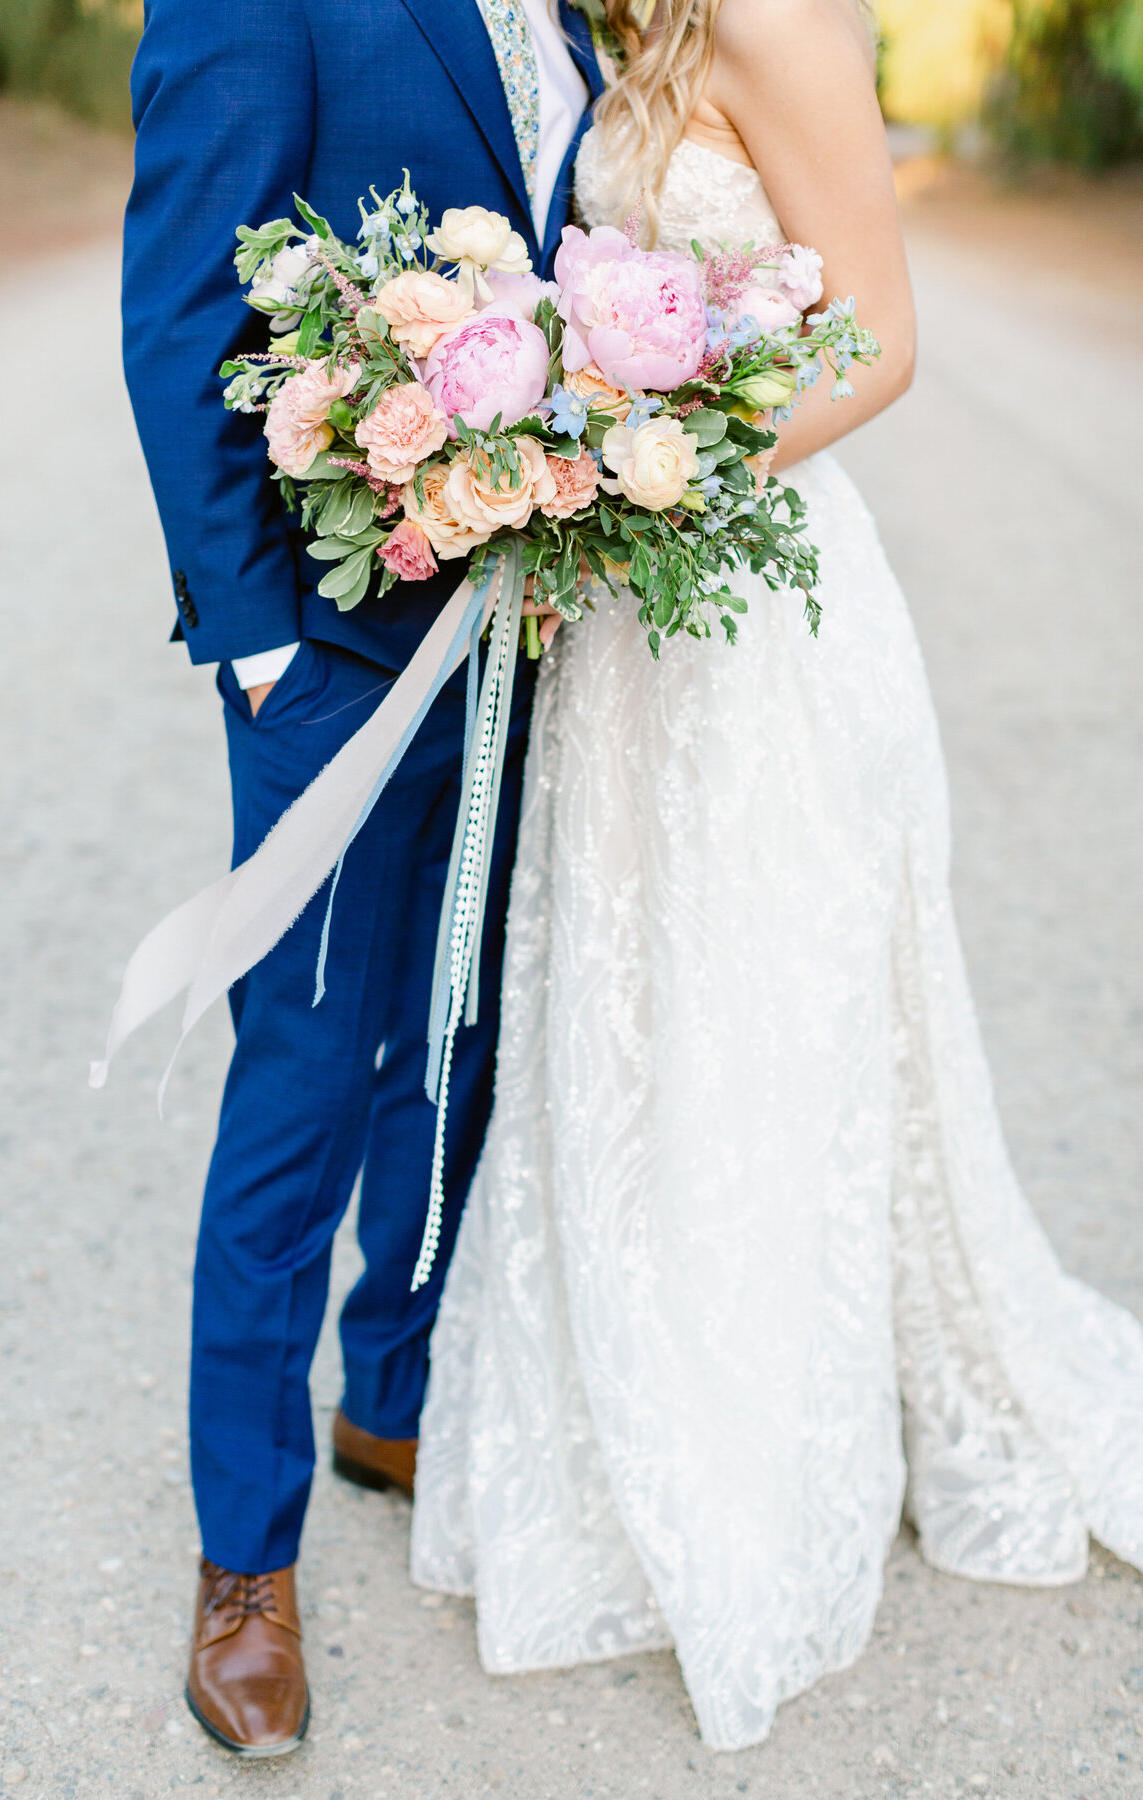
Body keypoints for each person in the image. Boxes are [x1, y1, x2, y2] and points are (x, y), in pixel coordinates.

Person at [411, 0, 1143, 1751]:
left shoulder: (786, 19)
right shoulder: (621, 37)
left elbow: (879, 338)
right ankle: (616, 1416)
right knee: (631, 1003)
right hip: (631, 630)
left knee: (763, 1013)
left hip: (755, 609)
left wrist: (648, 480)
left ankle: (765, 1453)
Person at [121, 0, 600, 1758]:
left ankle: (390, 1395)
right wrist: (259, 652)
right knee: (309, 1080)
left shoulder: (569, 14)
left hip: (534, 622)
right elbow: (181, 303)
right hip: (331, 652)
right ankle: (243, 1567)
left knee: (462, 1027)